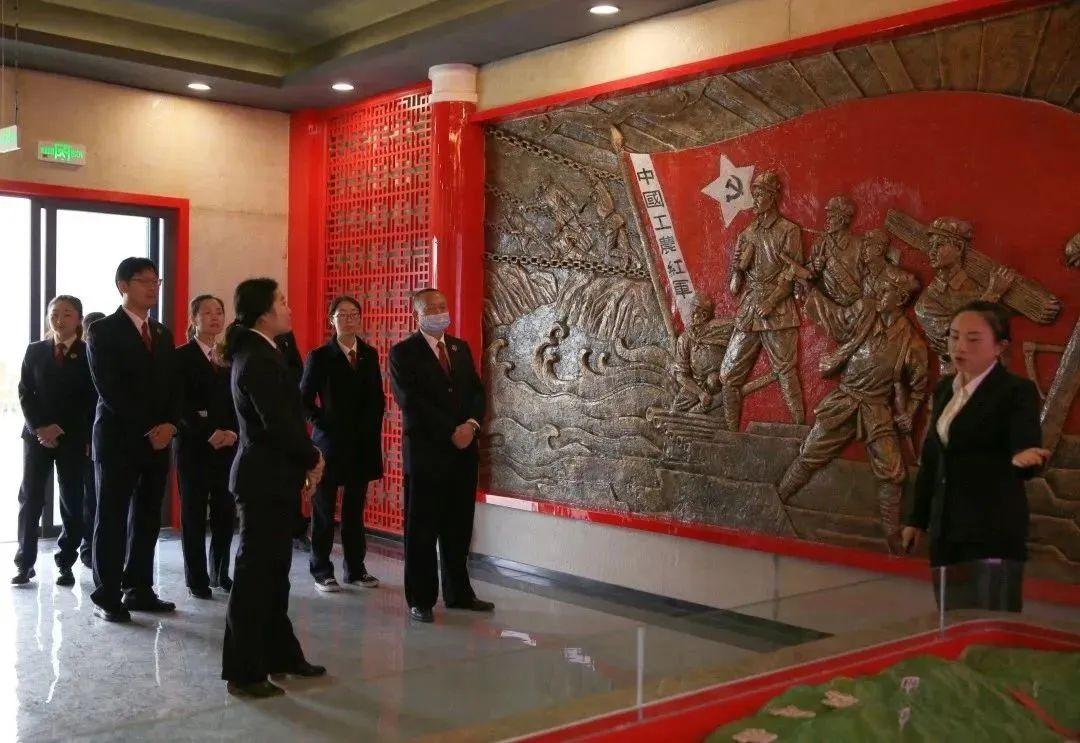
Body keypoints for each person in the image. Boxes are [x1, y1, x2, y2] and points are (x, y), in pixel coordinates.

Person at [902, 301, 1049, 612]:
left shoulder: (1015, 391)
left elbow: (1025, 449)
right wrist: (917, 520)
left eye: (973, 339)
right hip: (947, 528)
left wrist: (1023, 460)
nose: (960, 346)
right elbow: (933, 460)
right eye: (954, 336)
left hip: (991, 529)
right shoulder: (945, 389)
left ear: (999, 347)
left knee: (989, 620)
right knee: (951, 619)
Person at [221, 278, 326, 698]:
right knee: (255, 579)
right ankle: (244, 672)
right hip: (261, 479)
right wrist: (313, 457)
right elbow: (279, 424)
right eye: (282, 301)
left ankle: (280, 654)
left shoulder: (267, 350)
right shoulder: (257, 358)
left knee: (275, 575)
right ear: (264, 312)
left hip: (275, 476)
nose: (289, 307)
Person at [778, 264, 927, 552]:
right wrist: (810, 291)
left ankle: (893, 536)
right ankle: (780, 496)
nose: (878, 292)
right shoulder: (865, 312)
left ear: (900, 298)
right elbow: (835, 318)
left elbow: (919, 386)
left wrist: (910, 413)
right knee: (810, 452)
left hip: (876, 409)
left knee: (893, 471)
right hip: (844, 400)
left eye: (886, 290)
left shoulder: (911, 343)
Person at [85, 258, 180, 622]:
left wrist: (170, 425)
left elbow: (173, 386)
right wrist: (150, 429)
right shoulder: (103, 331)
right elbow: (111, 390)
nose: (153, 287)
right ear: (123, 286)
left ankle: (139, 588)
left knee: (146, 517)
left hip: (159, 441)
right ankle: (107, 595)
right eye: (144, 281)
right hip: (119, 440)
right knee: (111, 518)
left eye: (157, 281)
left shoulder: (162, 333)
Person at [390, 288, 492, 623]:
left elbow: (476, 392)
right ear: (416, 314)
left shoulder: (459, 348)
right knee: (421, 529)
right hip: (427, 454)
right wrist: (451, 430)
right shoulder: (403, 352)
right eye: (431, 308)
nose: (439, 312)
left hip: (463, 454)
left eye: (442, 306)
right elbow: (411, 401)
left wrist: (472, 425)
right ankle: (420, 599)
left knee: (458, 527)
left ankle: (459, 593)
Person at [300, 296, 385, 592]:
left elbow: (377, 398)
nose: (349, 319)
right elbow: (304, 401)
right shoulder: (320, 356)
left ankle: (356, 569)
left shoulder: (369, 354)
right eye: (342, 315)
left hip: (362, 444)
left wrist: (372, 428)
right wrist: (325, 424)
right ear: (331, 320)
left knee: (354, 511)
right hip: (329, 445)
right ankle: (322, 570)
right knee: (324, 510)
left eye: (353, 314)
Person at [12, 296, 97, 586]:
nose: (59, 320)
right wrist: (40, 427)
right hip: (36, 436)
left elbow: (91, 398)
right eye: (54, 314)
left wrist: (61, 428)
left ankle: (66, 562)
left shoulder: (88, 353)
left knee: (72, 500)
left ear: (79, 319)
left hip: (72, 437)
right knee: (30, 498)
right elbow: (25, 392)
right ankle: (24, 563)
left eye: (67, 314)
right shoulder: (35, 350)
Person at [719, 171, 805, 431]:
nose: (755, 199)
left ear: (772, 196)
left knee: (786, 371)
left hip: (777, 310)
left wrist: (772, 301)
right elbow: (734, 288)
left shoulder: (789, 230)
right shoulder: (746, 234)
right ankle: (731, 435)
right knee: (728, 375)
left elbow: (792, 273)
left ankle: (800, 431)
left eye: (759, 194)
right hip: (749, 309)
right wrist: (737, 269)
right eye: (753, 194)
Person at [175, 295, 238, 599]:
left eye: (219, 312)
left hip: (228, 446)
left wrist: (233, 432)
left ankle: (220, 572)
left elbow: (239, 399)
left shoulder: (229, 356)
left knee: (225, 512)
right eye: (207, 312)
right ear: (194, 319)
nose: (215, 317)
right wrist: (207, 432)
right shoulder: (181, 356)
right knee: (194, 514)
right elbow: (179, 404)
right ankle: (196, 578)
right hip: (194, 447)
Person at [276, 329, 313, 553]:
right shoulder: (251, 340)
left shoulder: (286, 336)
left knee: (294, 479)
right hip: (268, 424)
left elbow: (299, 370)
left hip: (291, 413)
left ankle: (297, 531)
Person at [78, 311, 106, 569]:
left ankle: (93, 549)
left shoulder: (107, 360)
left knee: (96, 498)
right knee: (88, 498)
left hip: (100, 438)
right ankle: (87, 548)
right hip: (84, 438)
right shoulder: (81, 361)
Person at [807, 194, 862, 307]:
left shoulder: (859, 245)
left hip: (855, 306)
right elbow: (807, 273)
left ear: (841, 220)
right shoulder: (820, 244)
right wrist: (815, 267)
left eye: (830, 218)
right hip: (827, 306)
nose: (827, 221)